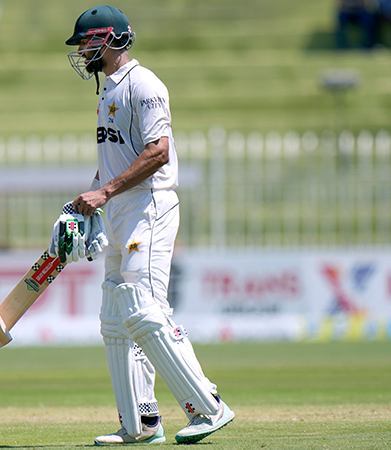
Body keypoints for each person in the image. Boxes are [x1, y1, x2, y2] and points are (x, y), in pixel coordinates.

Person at [58, 5, 235, 445]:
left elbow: (157, 152)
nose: (81, 50)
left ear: (111, 39)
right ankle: (140, 423)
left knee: (143, 307)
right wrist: (89, 204)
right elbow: (112, 160)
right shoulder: (108, 90)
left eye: (87, 41)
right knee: (115, 317)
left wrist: (108, 192)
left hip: (148, 206)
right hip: (119, 208)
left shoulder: (145, 84)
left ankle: (208, 405)